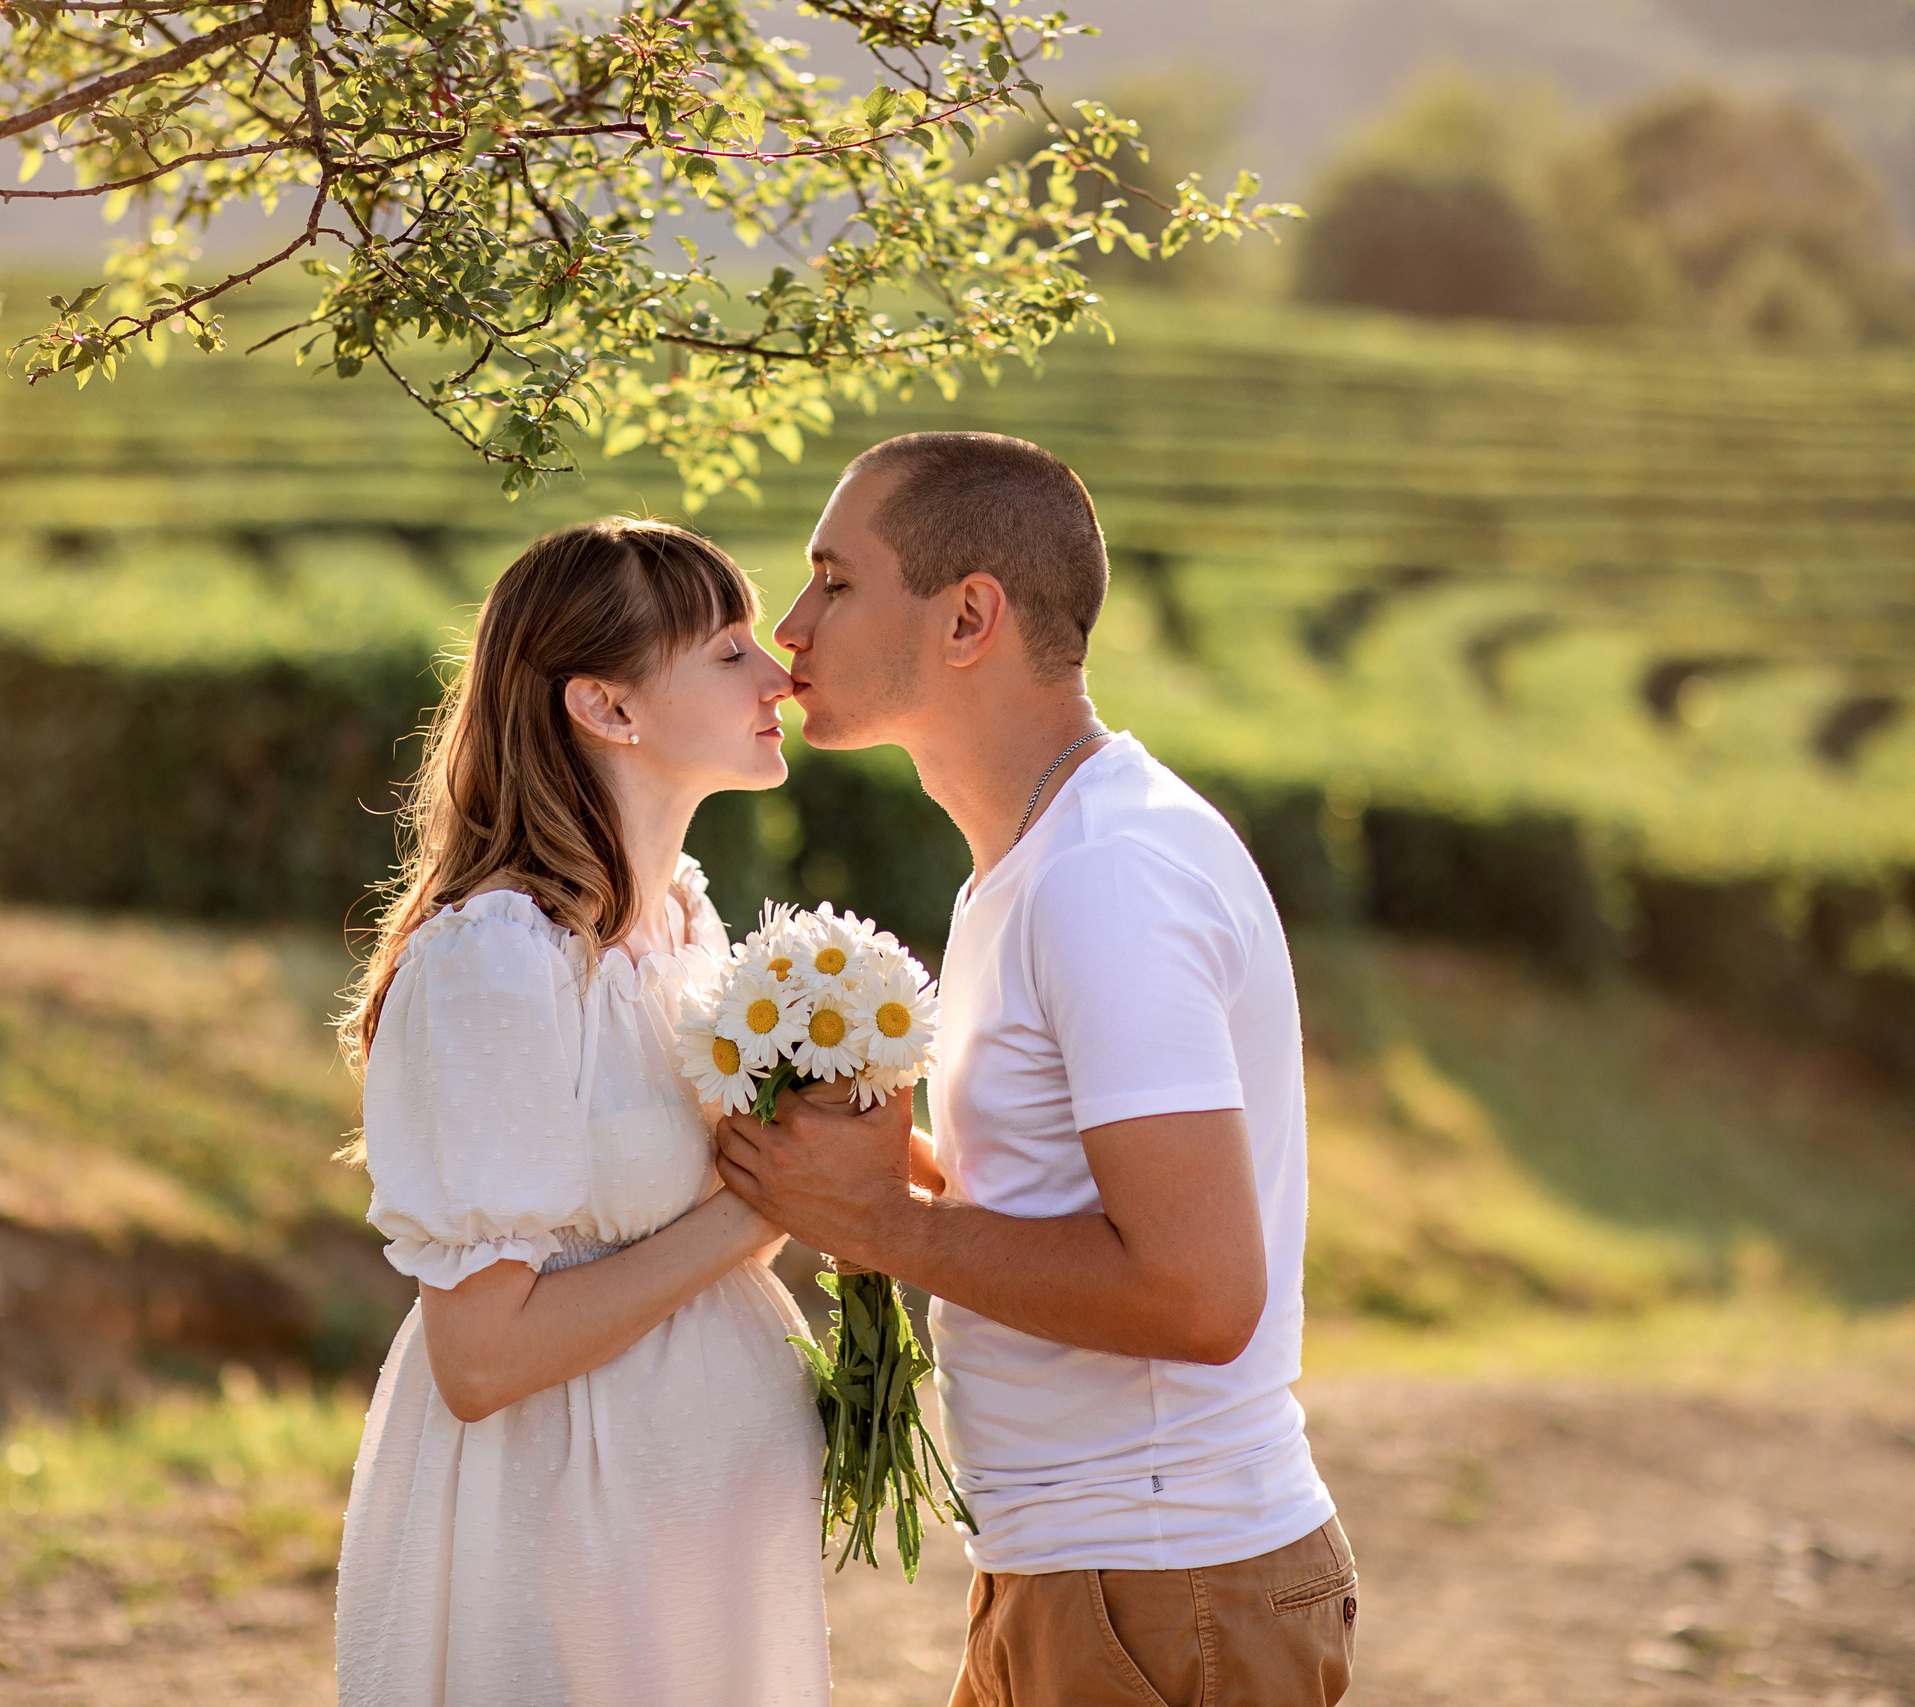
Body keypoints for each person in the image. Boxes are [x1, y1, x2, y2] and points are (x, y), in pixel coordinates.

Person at [715, 433, 1356, 1707]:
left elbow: (1196, 1293)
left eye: (834, 582)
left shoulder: (1103, 876)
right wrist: (891, 1174)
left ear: (968, 617)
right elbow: (1080, 1208)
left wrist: (880, 1224)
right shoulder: (1036, 862)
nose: (790, 627)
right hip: (1085, 1582)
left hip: (1164, 1589)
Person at [333, 519, 828, 1707]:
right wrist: (759, 1213)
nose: (779, 677)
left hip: (692, 1519)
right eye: (726, 652)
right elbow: (480, 1356)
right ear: (607, 708)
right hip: (560, 1517)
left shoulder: (688, 926)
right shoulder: (498, 963)